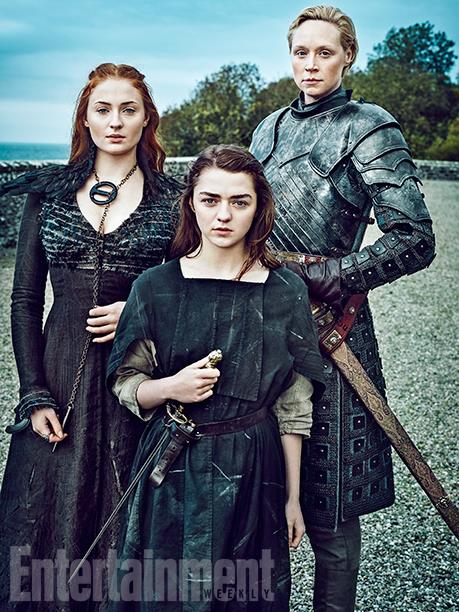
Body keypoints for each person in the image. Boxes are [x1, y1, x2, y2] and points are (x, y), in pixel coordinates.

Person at [250, 5, 436, 611]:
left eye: (324, 52)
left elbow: (414, 238)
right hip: (257, 323)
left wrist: (329, 274)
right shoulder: (268, 129)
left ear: (347, 56)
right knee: (256, 486)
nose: (310, 64)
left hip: (334, 331)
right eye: (300, 52)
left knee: (328, 506)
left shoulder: (370, 127)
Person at [105, 144, 326, 610]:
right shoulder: (155, 287)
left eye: (239, 202)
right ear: (191, 203)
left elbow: (293, 407)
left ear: (259, 208)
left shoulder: (285, 291)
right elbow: (126, 381)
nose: (223, 215)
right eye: (210, 200)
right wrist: (171, 388)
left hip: (255, 469)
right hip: (173, 467)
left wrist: (293, 498)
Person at [0, 63, 181, 610]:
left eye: (129, 109)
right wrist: (34, 394)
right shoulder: (48, 195)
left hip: (136, 382)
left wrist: (139, 312)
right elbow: (25, 300)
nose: (115, 121)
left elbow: (192, 293)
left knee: (124, 517)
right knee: (41, 521)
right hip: (58, 377)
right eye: (103, 109)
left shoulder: (174, 200)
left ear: (147, 118)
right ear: (85, 117)